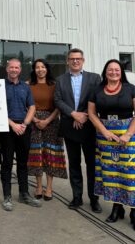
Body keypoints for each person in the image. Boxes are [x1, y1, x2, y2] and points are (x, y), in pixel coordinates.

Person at [88, 59, 135, 229]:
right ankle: (117, 207)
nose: (113, 72)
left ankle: (133, 210)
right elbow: (92, 114)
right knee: (110, 172)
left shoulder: (130, 89)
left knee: (129, 173)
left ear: (121, 72)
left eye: (117, 69)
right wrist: (104, 131)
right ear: (105, 71)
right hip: (105, 136)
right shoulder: (97, 90)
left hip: (128, 136)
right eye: (110, 69)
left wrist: (128, 134)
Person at [54, 48, 102, 212]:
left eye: (78, 58)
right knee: (74, 163)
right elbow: (58, 100)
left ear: (83, 60)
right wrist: (74, 115)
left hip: (89, 127)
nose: (75, 61)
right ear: (67, 61)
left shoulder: (94, 78)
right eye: (72, 59)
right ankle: (77, 197)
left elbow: (97, 100)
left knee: (92, 164)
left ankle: (94, 199)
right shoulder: (60, 80)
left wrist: (84, 117)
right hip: (69, 126)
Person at [0, 58, 41, 211]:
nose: (14, 70)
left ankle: (24, 194)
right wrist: (13, 125)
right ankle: (7, 196)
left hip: (24, 128)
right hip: (7, 128)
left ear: (20, 70)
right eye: (11, 67)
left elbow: (31, 107)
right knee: (7, 163)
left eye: (17, 68)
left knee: (23, 163)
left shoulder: (25, 87)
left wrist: (24, 124)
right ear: (7, 69)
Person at [27, 59, 67, 201]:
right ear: (34, 70)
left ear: (47, 69)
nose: (40, 69)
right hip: (34, 121)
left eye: (43, 67)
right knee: (37, 154)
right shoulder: (28, 85)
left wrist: (47, 120)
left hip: (52, 121)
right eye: (37, 67)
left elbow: (59, 105)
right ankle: (38, 186)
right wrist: (36, 120)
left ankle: (49, 187)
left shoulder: (55, 85)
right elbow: (25, 104)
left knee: (50, 154)